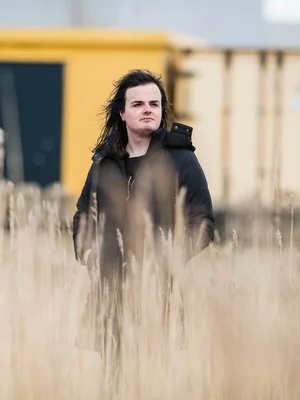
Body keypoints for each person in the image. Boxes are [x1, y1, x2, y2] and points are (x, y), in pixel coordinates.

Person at [71, 69, 214, 383]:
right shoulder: (104, 160)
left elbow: (203, 222)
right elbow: (83, 215)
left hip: (157, 293)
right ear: (122, 113)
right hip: (108, 291)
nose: (148, 108)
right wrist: (90, 254)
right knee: (112, 379)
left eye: (155, 103)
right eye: (138, 104)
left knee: (151, 379)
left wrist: (165, 258)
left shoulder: (181, 159)